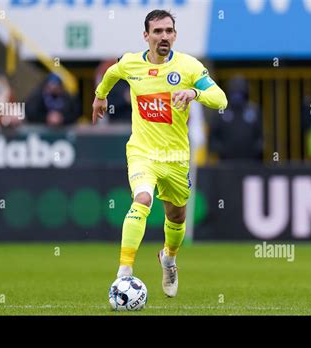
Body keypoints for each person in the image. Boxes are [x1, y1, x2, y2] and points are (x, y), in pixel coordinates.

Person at [92, 9, 227, 297]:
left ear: (175, 35)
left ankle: (169, 259)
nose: (163, 36)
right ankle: (124, 273)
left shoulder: (189, 67)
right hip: (143, 152)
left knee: (176, 216)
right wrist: (100, 96)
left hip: (177, 158)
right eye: (157, 31)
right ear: (146, 36)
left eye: (168, 31)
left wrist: (195, 93)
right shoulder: (131, 63)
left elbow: (220, 99)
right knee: (142, 198)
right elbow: (112, 72)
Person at [209, 76, 262, 162]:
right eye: (234, 93)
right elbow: (213, 136)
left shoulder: (254, 111)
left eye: (240, 94)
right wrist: (221, 150)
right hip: (226, 162)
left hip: (250, 161)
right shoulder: (221, 111)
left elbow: (260, 136)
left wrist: (256, 150)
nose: (237, 97)